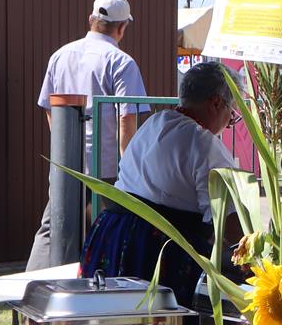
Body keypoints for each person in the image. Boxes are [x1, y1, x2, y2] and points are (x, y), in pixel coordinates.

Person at [80, 61, 237, 303]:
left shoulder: (154, 123)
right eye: (231, 115)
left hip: (111, 236)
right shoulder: (205, 145)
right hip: (154, 252)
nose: (229, 124)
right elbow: (230, 225)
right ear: (216, 103)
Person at [28, 0, 151, 270]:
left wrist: (63, 150)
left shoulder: (60, 56)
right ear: (122, 27)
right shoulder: (122, 62)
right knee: (107, 233)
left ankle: (33, 284)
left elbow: (50, 108)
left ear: (91, 20)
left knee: (53, 230)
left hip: (66, 165)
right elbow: (126, 120)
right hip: (105, 168)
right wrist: (130, 170)